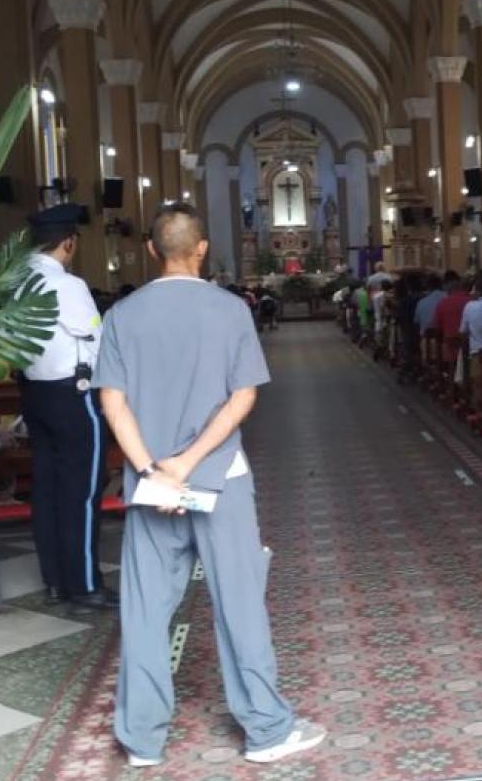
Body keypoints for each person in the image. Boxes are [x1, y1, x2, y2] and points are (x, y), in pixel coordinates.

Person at [94, 204, 326, 767]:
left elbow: (111, 402)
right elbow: (243, 397)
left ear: (151, 251)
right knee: (239, 601)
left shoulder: (122, 315)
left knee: (147, 610)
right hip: (221, 477)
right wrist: (190, 460)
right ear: (202, 249)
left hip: (152, 487)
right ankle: (266, 730)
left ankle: (143, 741)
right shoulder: (230, 310)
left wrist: (153, 467)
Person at [19, 203, 114, 615]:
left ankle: (56, 580)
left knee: (48, 487)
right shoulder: (68, 286)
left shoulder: (15, 280)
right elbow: (94, 336)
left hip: (35, 392)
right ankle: (86, 584)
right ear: (68, 243)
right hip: (74, 396)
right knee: (84, 490)